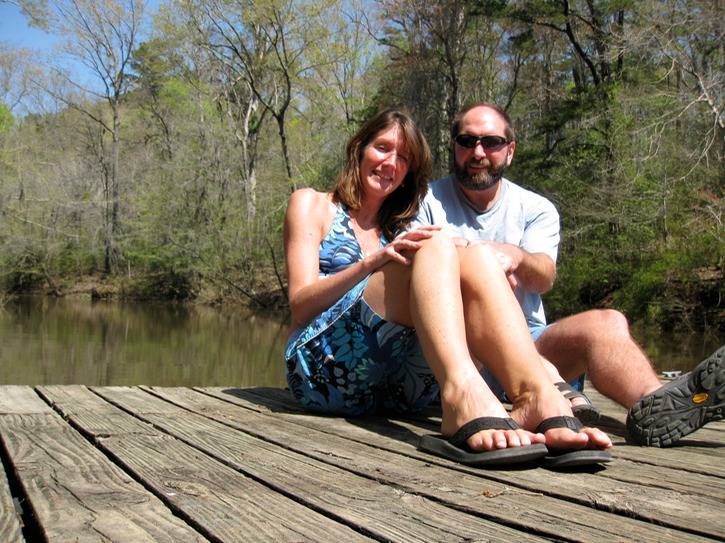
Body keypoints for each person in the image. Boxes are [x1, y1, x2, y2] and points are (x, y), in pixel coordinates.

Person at [283, 107, 612, 468]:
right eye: (382, 148)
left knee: (474, 255)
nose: (391, 163)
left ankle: (535, 394)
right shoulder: (313, 204)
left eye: (404, 157)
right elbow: (300, 306)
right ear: (359, 147)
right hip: (326, 371)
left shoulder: (404, 224)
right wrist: (371, 264)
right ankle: (461, 394)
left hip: (401, 388)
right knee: (437, 242)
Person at [412, 101, 725, 447]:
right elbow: (415, 267)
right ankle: (537, 392)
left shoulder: (536, 208)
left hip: (531, 342)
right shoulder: (425, 201)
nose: (479, 151)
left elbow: (543, 276)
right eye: (467, 141)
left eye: (492, 142)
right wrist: (470, 256)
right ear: (454, 146)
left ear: (510, 151)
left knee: (608, 323)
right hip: (461, 347)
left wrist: (516, 257)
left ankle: (659, 405)